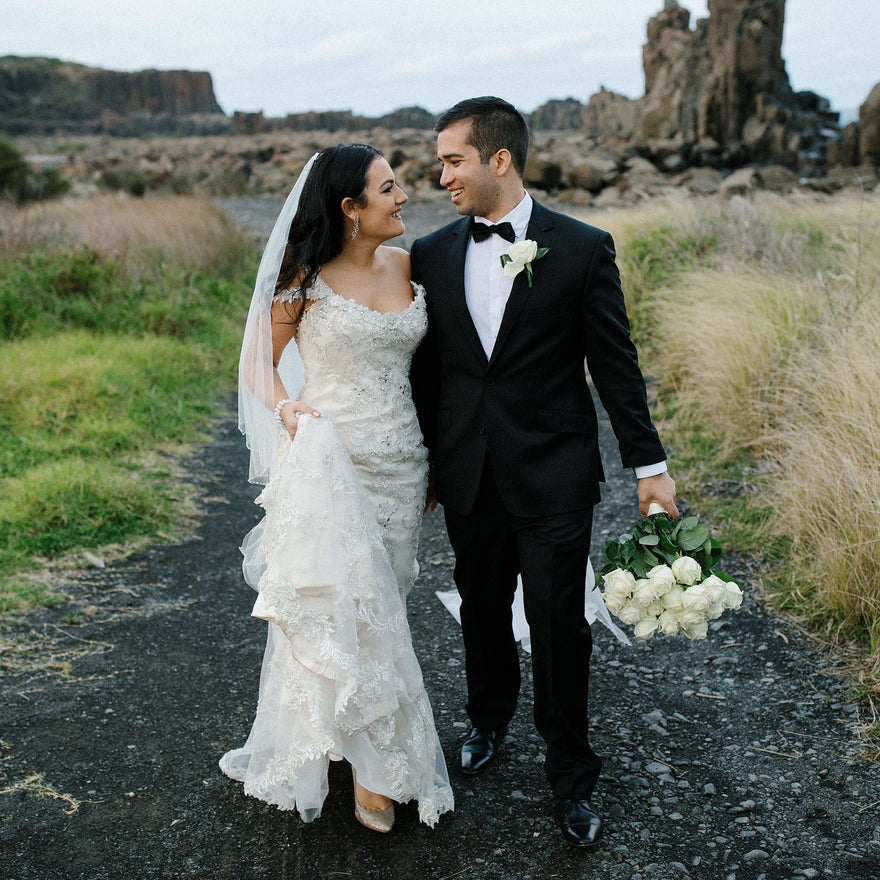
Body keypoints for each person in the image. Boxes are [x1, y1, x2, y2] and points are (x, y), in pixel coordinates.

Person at [409, 97, 677, 847]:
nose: (442, 177)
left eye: (453, 160)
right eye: (439, 163)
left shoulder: (584, 248)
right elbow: (428, 373)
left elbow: (615, 367)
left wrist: (649, 466)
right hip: (469, 469)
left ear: (500, 160)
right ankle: (487, 720)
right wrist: (428, 459)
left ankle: (572, 775)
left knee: (561, 623)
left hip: (555, 469)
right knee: (481, 604)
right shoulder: (430, 254)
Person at [220, 144, 453, 832]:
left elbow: (428, 374)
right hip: (332, 458)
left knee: (389, 600)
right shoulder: (304, 276)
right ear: (351, 208)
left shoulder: (410, 267)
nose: (404, 194)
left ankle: (354, 734)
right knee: (343, 606)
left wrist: (438, 458)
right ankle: (372, 772)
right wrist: (287, 407)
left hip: (402, 463)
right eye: (389, 187)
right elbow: (260, 362)